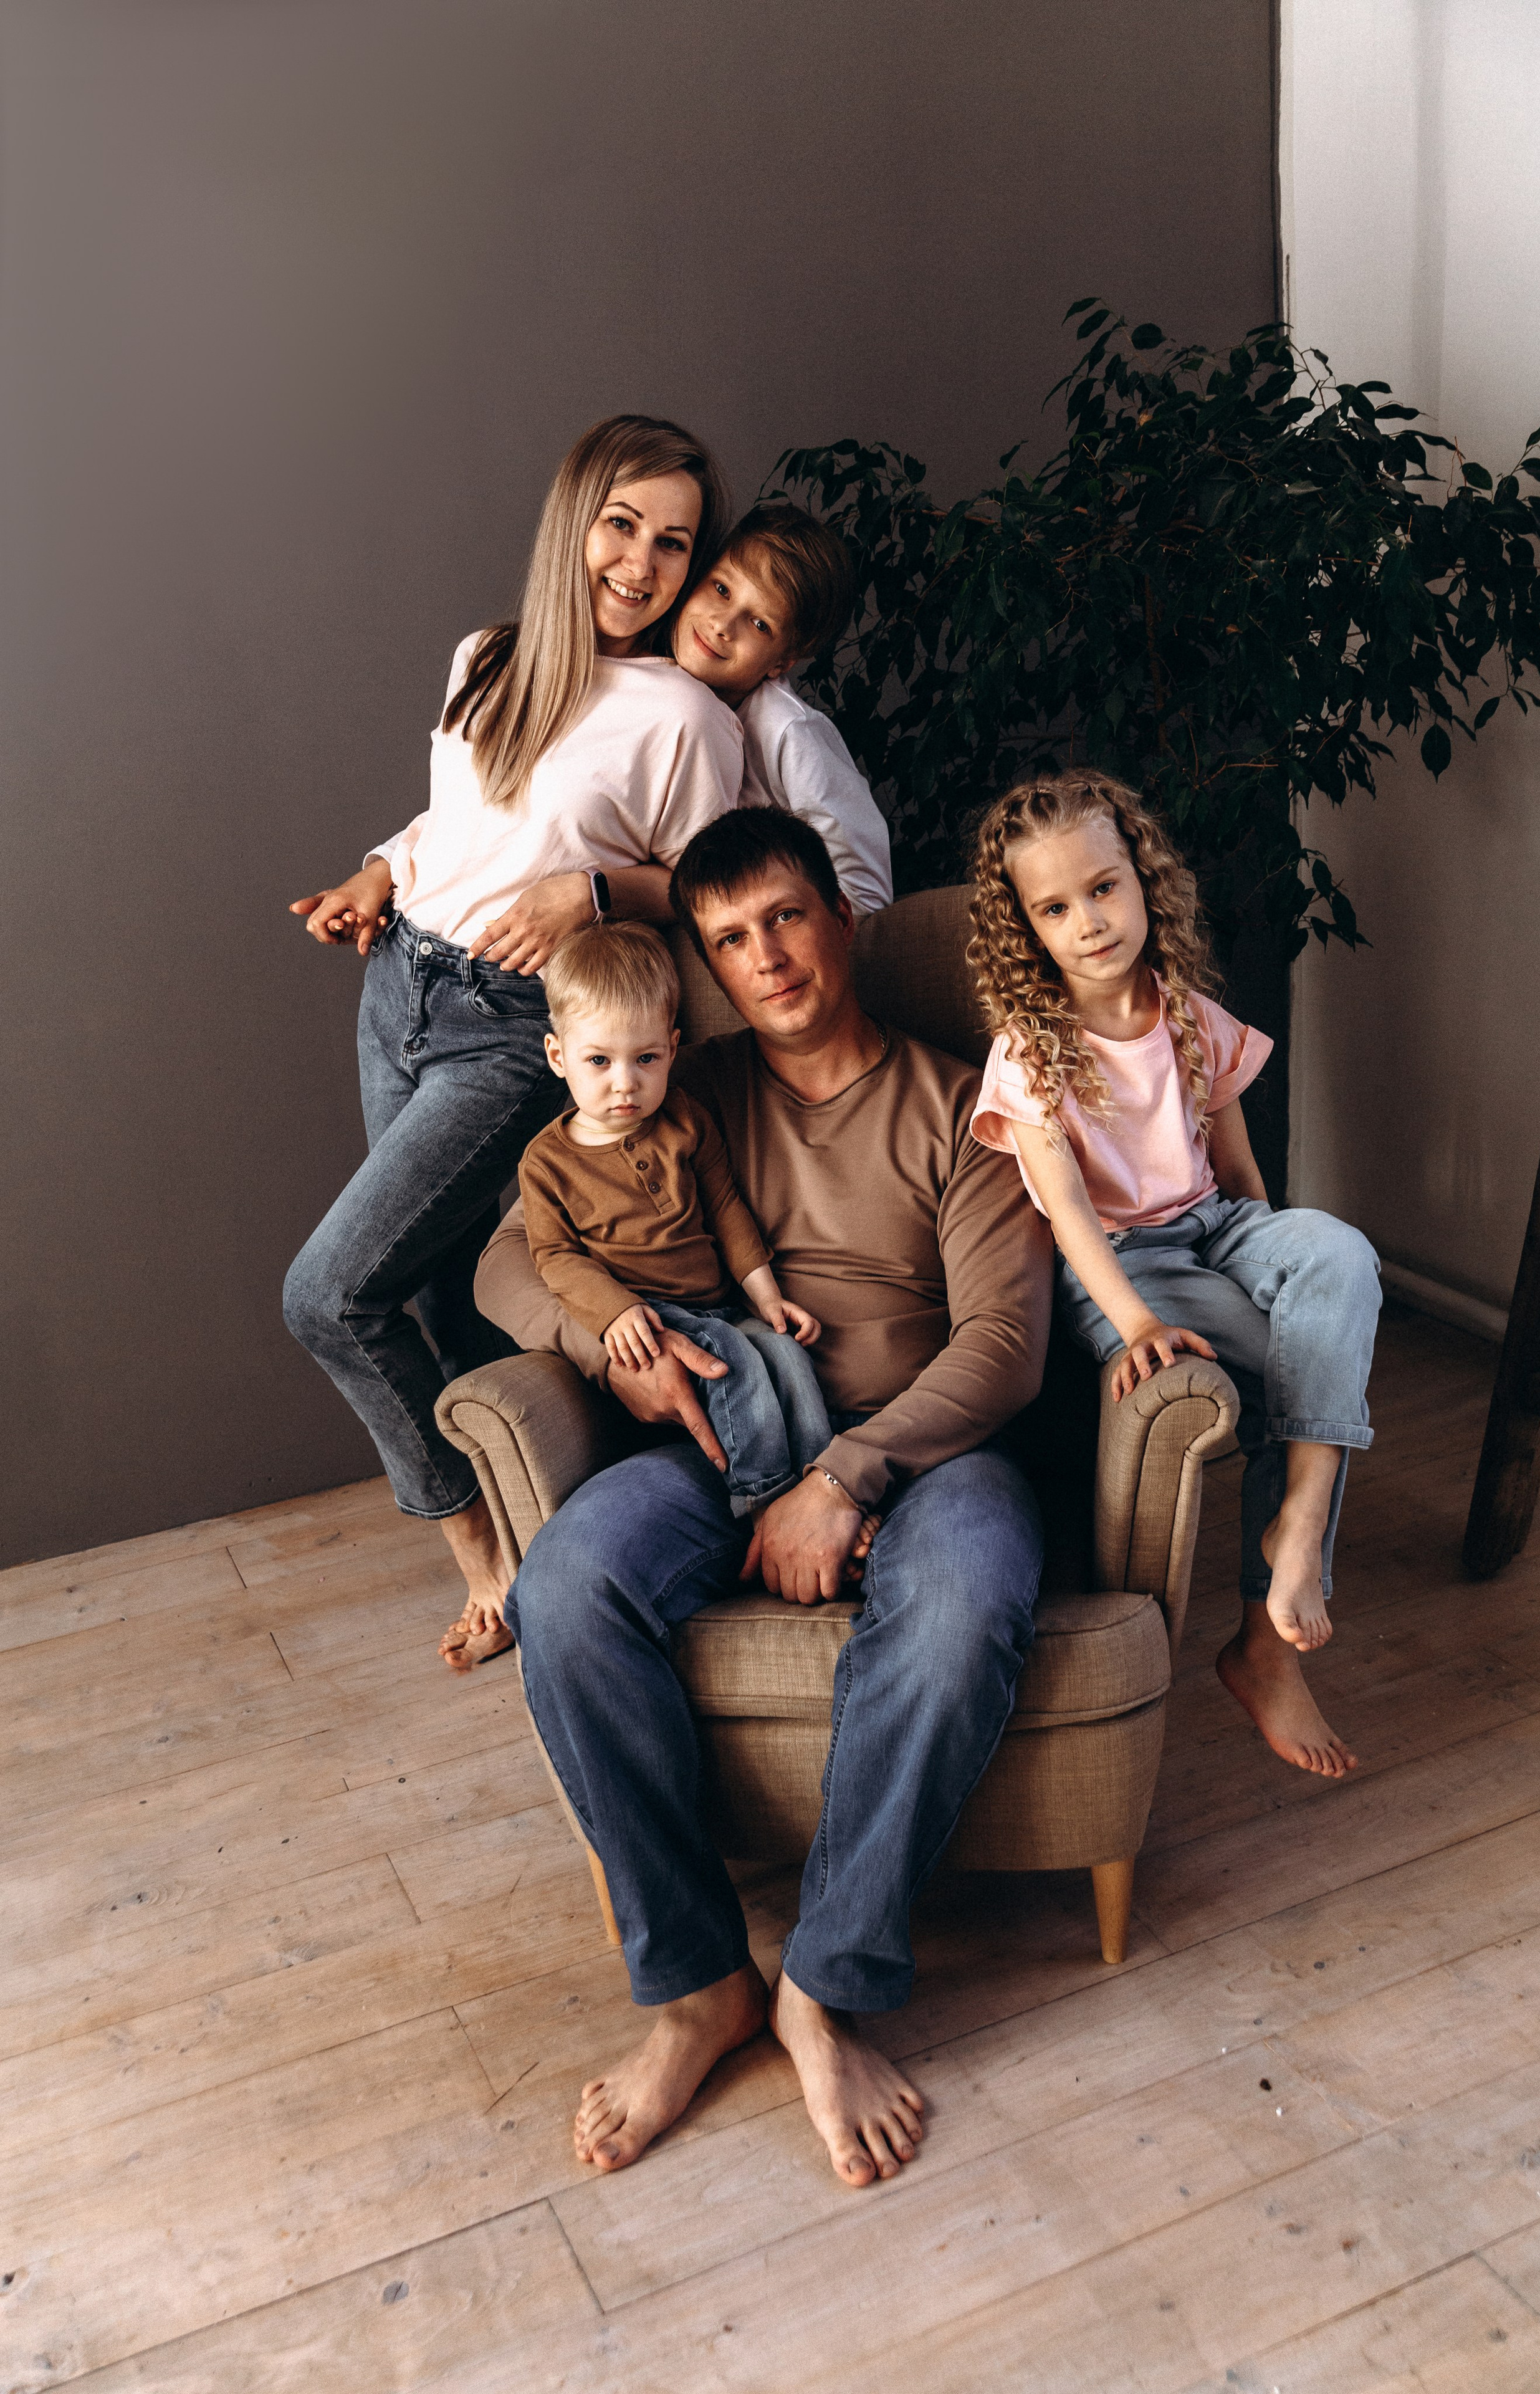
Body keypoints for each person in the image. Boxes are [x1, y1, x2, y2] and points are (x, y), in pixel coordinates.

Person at [472, 808, 1052, 2188]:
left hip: (928, 1450)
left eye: (784, 918)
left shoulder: (960, 1101)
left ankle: (824, 1987)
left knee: (967, 1596)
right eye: (728, 939)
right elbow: (506, 1266)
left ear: (838, 921)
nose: (763, 957)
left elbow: (1004, 1345)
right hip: (721, 1440)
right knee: (565, 1585)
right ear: (706, 971)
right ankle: (697, 1985)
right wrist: (611, 1354)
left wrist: (847, 1476)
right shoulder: (675, 1092)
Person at [282, 415, 742, 1650]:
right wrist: (378, 873)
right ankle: (576, 1541)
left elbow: (714, 888)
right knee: (428, 1286)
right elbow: (462, 824)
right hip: (398, 984)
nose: (640, 566)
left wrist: (592, 895)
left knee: (331, 1293)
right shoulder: (485, 658)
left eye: (674, 544)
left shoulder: (685, 719)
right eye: (621, 526)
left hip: (511, 1025)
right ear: (573, 519)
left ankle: (485, 1552)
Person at [967, 768, 1382, 1782]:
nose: (1090, 920)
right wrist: (1132, 1322)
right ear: (1028, 929)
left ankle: (1301, 1510)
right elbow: (1065, 1213)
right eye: (1056, 907)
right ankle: (1268, 1638)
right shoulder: (1033, 1051)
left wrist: (1288, 1265)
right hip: (1122, 1265)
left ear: (1145, 881)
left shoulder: (1185, 1011)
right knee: (1298, 1351)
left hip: (1217, 1228)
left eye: (1104, 888)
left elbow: (1239, 1174)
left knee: (1343, 1257)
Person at [519, 919, 855, 1531]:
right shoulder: (547, 1162)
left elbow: (726, 1207)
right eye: (599, 1060)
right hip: (649, 1314)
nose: (626, 1083)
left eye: (646, 1058)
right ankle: (760, 1499)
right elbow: (555, 1256)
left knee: (783, 1353)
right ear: (558, 1055)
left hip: (719, 1303)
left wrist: (768, 1297)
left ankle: (820, 1481)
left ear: (672, 1049)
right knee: (731, 1361)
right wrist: (614, 1312)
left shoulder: (684, 1120)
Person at [671, 499, 894, 914]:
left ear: (781, 662)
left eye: (759, 624)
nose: (722, 625)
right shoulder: (659, 684)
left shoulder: (788, 730)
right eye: (721, 589)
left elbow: (867, 888)